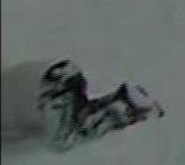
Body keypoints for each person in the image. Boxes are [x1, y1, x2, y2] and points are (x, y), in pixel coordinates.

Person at [1, 59, 163, 152]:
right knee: (73, 126)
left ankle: (123, 107)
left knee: (64, 140)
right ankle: (123, 104)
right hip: (50, 77)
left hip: (50, 86)